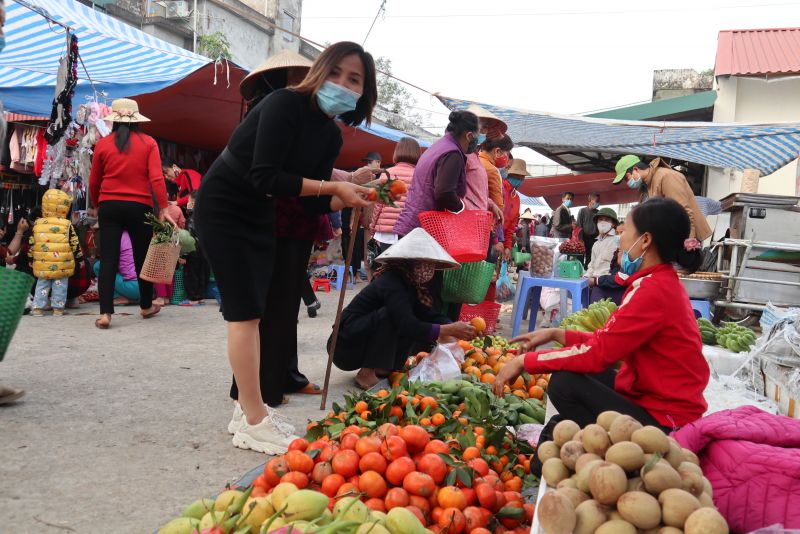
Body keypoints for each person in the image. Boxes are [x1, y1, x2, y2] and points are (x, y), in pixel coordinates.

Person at [194, 41, 377, 454]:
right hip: (225, 205)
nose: (342, 84)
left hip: (262, 213)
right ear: (319, 71)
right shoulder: (283, 104)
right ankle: (256, 420)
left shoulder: (330, 134)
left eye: (354, 80)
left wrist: (351, 196)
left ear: (364, 93)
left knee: (255, 314)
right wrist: (334, 185)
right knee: (244, 314)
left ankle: (246, 408)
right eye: (335, 73)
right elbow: (264, 176)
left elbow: (307, 198)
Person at [495, 198, 709, 459]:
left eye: (625, 232)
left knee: (564, 384)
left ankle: (611, 452)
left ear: (645, 241)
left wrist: (526, 362)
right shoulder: (660, 282)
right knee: (582, 376)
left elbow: (599, 353)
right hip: (656, 403)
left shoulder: (653, 289)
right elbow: (609, 341)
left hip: (665, 422)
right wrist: (555, 334)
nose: (620, 240)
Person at [331, 228, 476, 389]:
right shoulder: (392, 281)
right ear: (409, 262)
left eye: (430, 265)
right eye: (422, 263)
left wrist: (455, 328)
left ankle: (383, 369)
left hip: (360, 339)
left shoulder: (412, 284)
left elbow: (427, 314)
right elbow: (406, 324)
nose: (428, 269)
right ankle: (366, 373)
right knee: (393, 317)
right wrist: (448, 329)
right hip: (345, 346)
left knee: (414, 318)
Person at [89, 98, 173, 329]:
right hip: (140, 206)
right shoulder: (149, 143)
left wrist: (97, 204)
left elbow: (94, 180)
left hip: (109, 205)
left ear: (114, 119)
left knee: (108, 259)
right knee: (141, 258)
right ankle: (146, 306)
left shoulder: (103, 144)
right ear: (137, 120)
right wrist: (163, 207)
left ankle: (106, 313)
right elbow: (156, 178)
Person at [614, 155, 712, 241]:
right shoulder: (648, 184)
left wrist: (688, 242)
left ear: (635, 170)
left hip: (680, 241)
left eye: (627, 178)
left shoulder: (666, 176)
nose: (627, 183)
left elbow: (683, 212)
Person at [28, 190, 83, 317]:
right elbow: (74, 243)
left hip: (43, 263)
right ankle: (58, 309)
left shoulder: (38, 224)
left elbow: (32, 243)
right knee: (60, 285)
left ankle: (37, 308)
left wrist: (31, 258)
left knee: (42, 284)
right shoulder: (67, 224)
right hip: (62, 262)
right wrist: (79, 259)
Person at [369, 137, 420, 255]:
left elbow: (378, 206)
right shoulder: (421, 175)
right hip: (410, 232)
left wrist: (373, 227)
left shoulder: (387, 173)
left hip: (386, 232)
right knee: (405, 269)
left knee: (386, 267)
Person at [92, 231, 140, 305]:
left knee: (98, 266)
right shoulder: (134, 234)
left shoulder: (115, 237)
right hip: (146, 286)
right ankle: (132, 299)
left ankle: (117, 297)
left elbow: (110, 264)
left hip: (133, 288)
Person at [584, 207, 621, 302]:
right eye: (600, 220)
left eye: (607, 220)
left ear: (613, 224)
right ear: (596, 223)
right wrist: (586, 277)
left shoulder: (617, 241)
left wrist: (596, 281)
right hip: (592, 282)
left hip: (606, 284)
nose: (603, 222)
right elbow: (592, 265)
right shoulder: (596, 244)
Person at [502, 158, 528, 260]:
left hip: (501, 241)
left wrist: (507, 246)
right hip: (492, 238)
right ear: (510, 174)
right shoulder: (500, 188)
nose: (522, 179)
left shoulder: (516, 198)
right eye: (519, 176)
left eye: (523, 177)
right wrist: (497, 240)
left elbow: (511, 225)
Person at [576, 192, 600, 268]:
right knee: (580, 256)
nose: (598, 203)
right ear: (590, 201)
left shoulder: (598, 212)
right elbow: (579, 226)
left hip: (594, 238)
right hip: (583, 237)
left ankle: (587, 272)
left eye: (598, 201)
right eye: (596, 201)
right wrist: (580, 239)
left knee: (590, 257)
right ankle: (579, 270)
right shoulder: (582, 211)